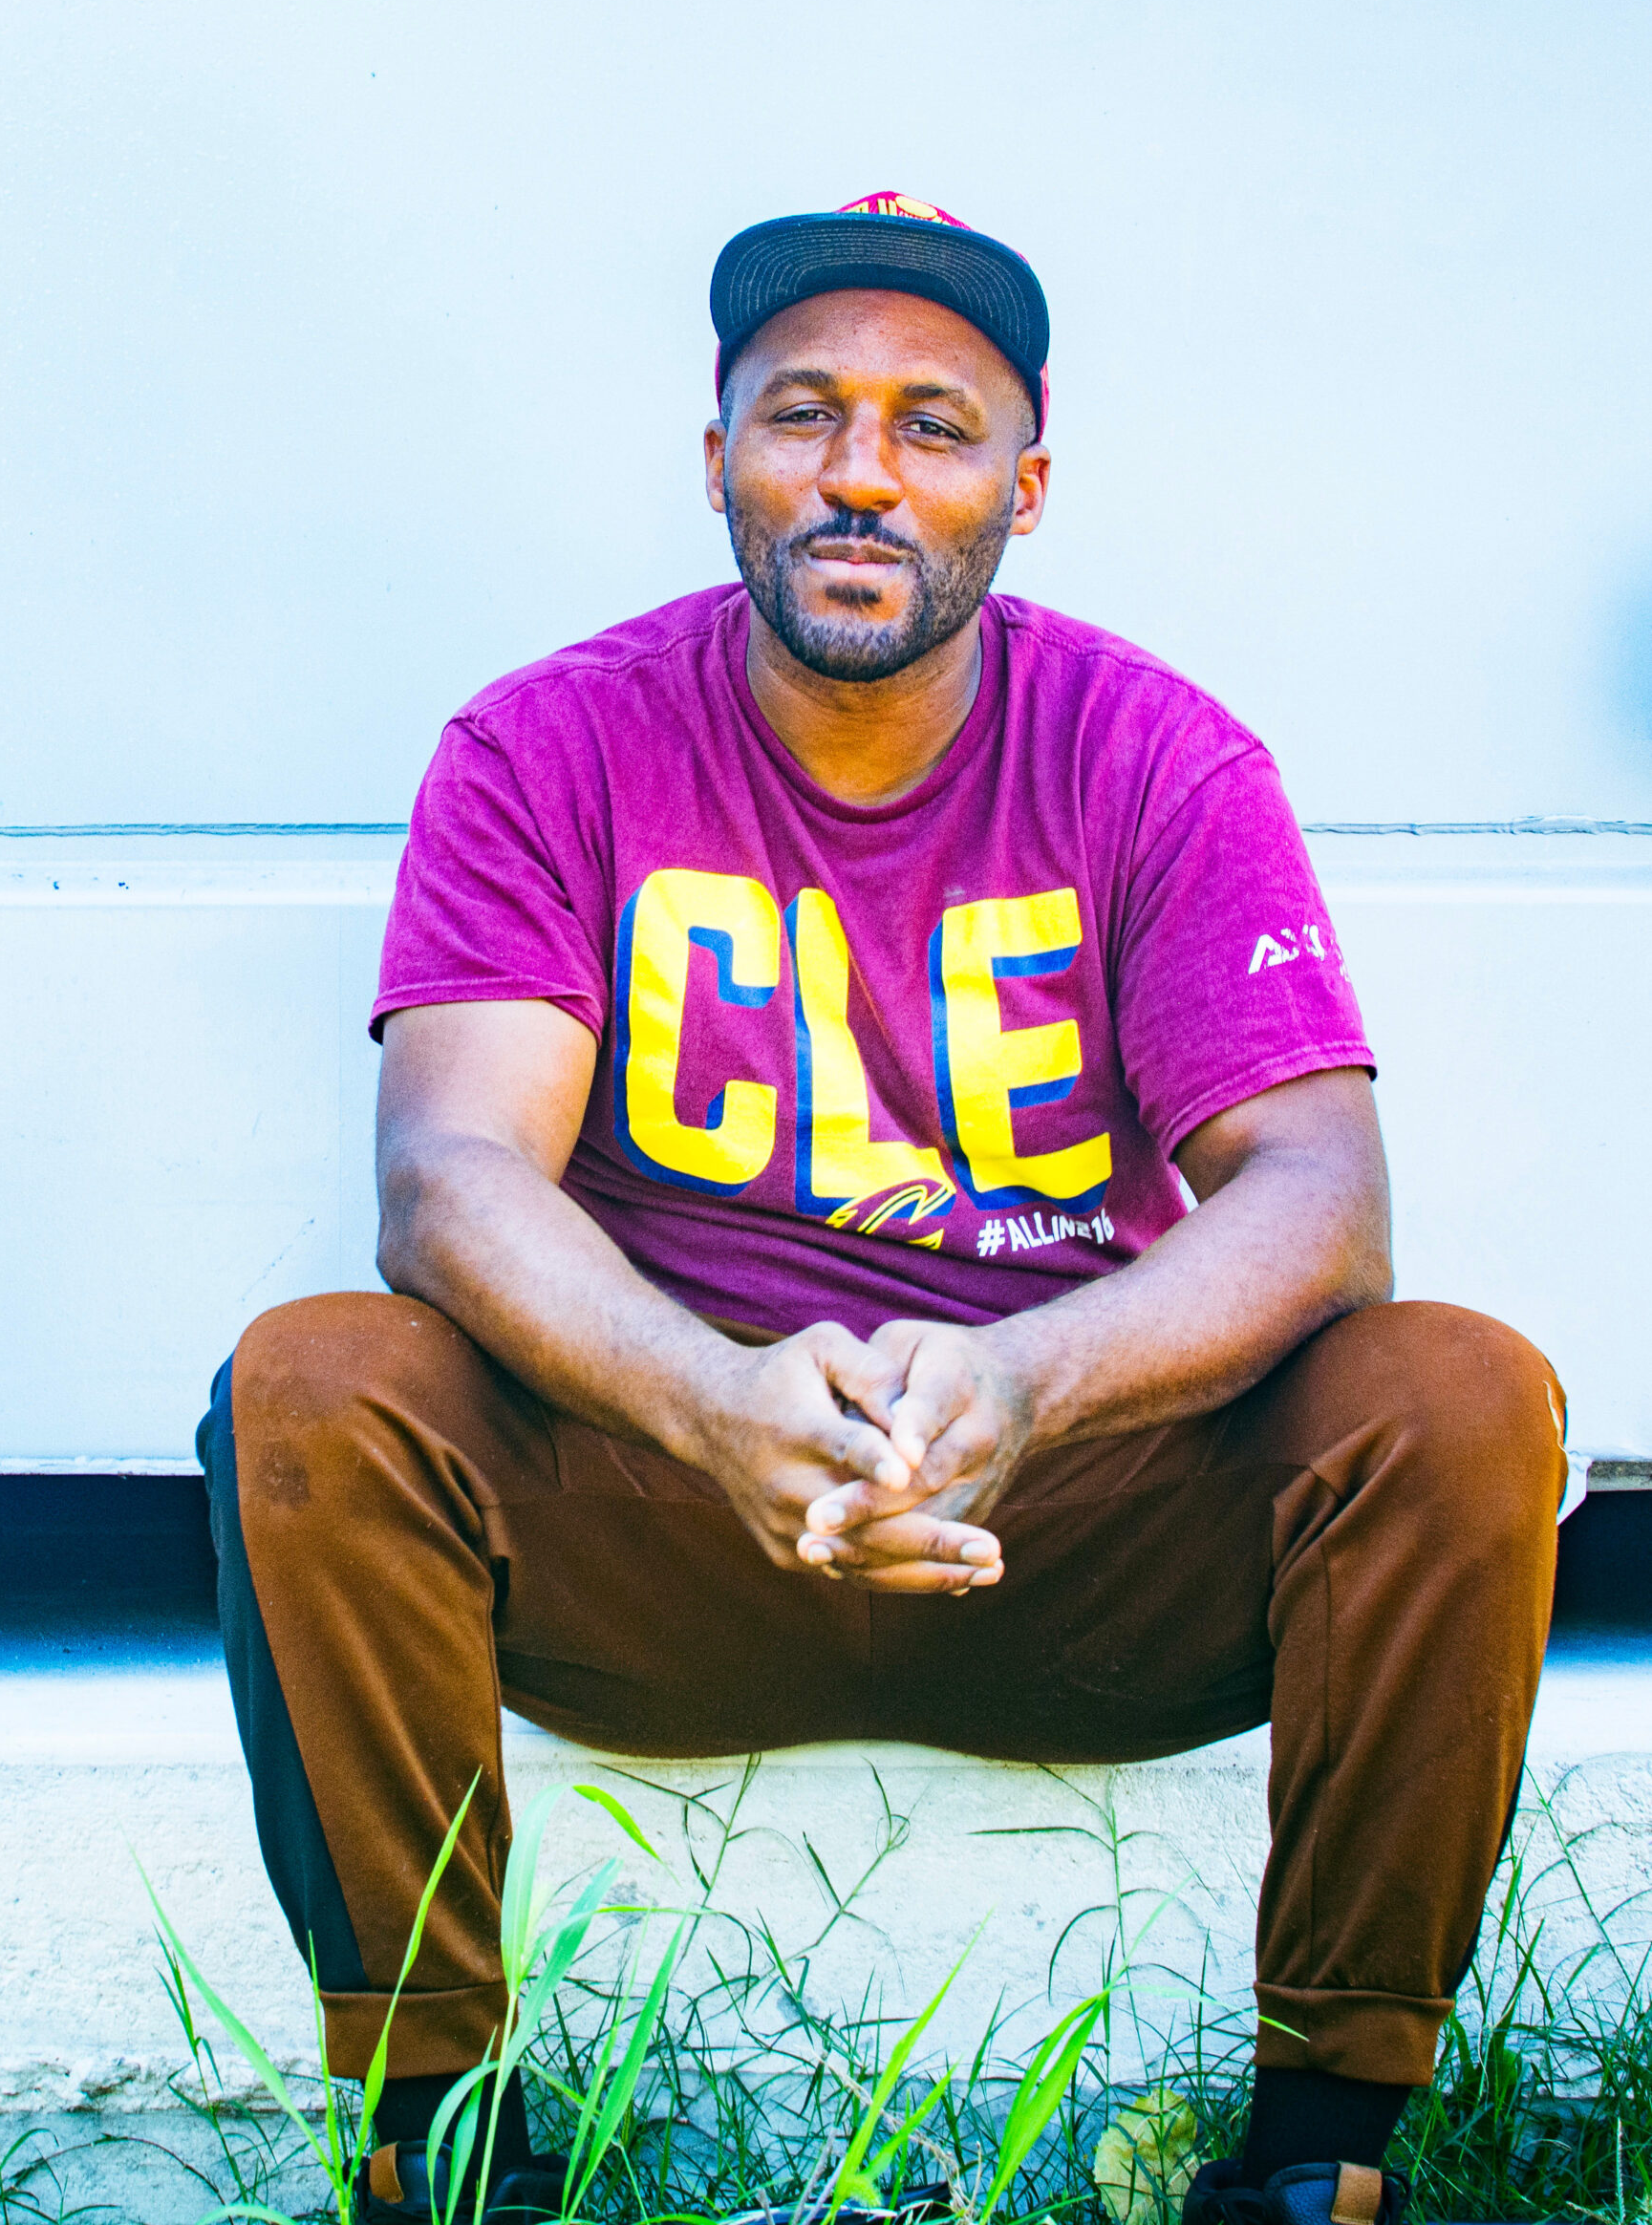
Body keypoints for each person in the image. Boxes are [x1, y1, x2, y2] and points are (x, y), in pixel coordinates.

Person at [198, 193, 1567, 2225]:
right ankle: (439, 2139)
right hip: (667, 1521)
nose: (857, 470)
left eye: (930, 426)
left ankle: (1320, 2156)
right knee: (313, 1381)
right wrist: (705, 1398)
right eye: (802, 413)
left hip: (1071, 1535)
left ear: (1021, 484)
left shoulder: (1150, 752)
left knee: (1455, 1391)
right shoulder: (548, 741)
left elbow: (1318, 1193)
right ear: (718, 458)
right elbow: (449, 1174)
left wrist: (1034, 1377)